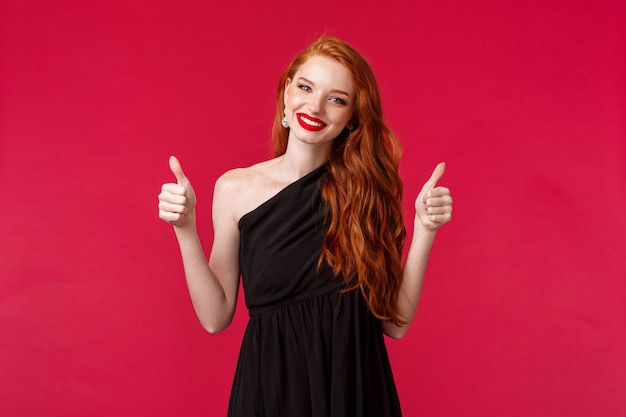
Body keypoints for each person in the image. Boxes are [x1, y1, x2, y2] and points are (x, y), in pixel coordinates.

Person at [158, 36, 453, 417]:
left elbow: (394, 324)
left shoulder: (365, 194)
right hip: (272, 391)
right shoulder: (234, 189)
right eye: (305, 87)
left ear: (352, 118)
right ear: (286, 91)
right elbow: (215, 317)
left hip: (355, 393)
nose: (314, 106)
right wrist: (185, 229)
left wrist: (425, 229)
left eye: (337, 99)